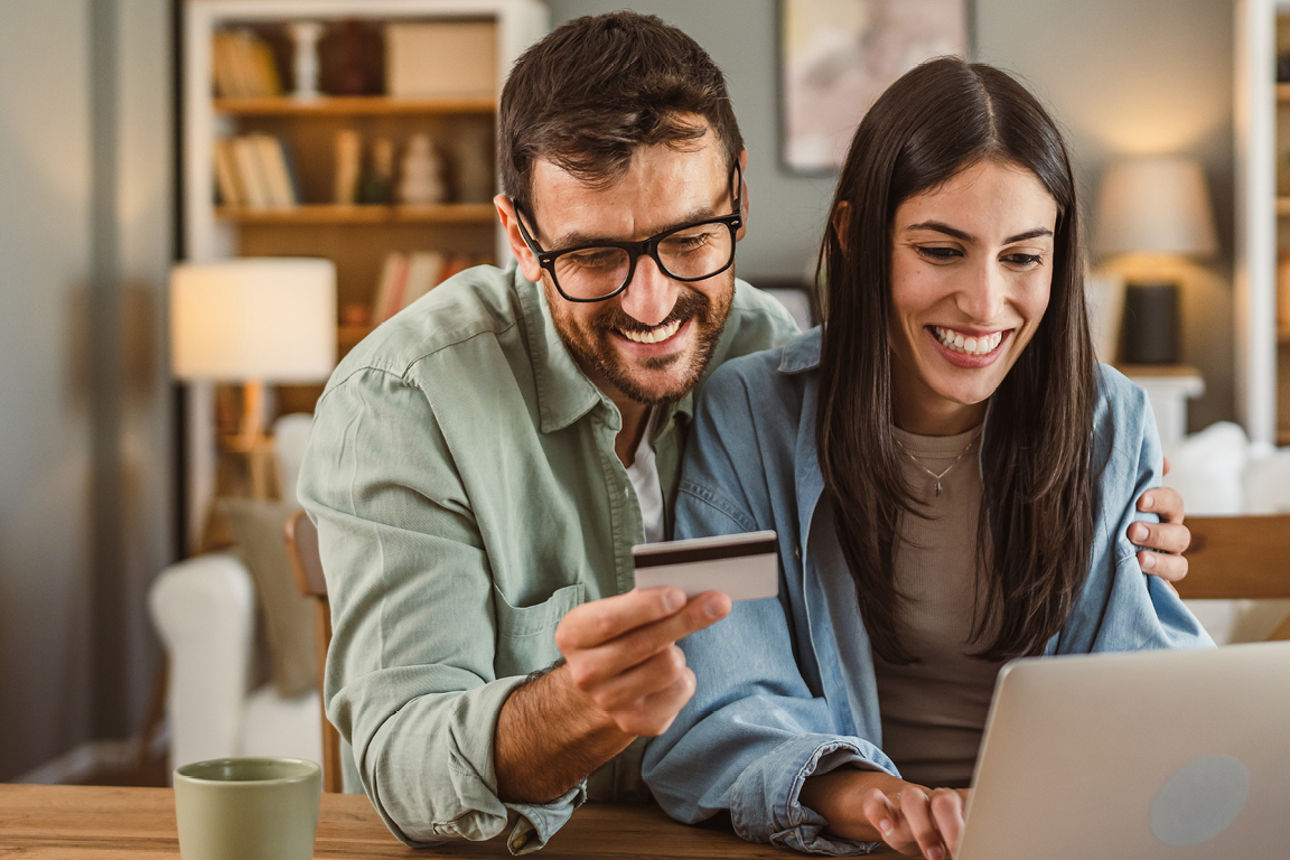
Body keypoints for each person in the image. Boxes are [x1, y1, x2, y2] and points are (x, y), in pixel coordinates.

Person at [297, 15, 1192, 854]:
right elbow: (404, 759)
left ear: (740, 198)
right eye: (595, 255)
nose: (651, 305)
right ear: (520, 238)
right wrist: (581, 707)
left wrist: (1123, 524)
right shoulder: (407, 400)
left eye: (689, 239)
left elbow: (743, 671)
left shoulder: (761, 368)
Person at [640, 57, 1213, 860]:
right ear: (855, 240)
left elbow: (1145, 679)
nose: (985, 304)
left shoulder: (1108, 420)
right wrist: (876, 801)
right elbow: (717, 704)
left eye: (1022, 257)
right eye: (941, 251)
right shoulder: (746, 417)